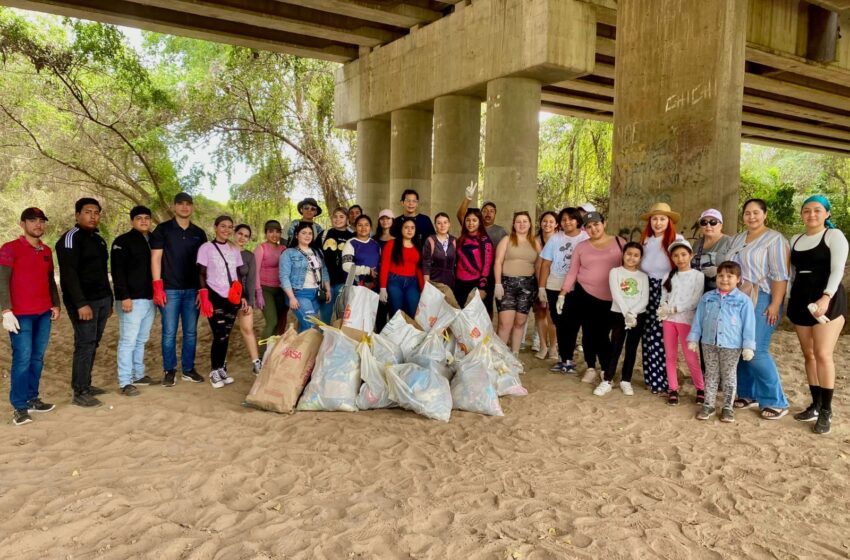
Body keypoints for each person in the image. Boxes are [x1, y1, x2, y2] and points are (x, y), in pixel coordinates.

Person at [787, 195, 848, 434]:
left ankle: (827, 411)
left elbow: (837, 270)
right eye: (806, 210)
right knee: (808, 354)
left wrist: (826, 297)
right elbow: (792, 273)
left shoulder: (834, 236)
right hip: (801, 299)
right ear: (802, 214)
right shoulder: (795, 239)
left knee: (823, 353)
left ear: (827, 213)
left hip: (827, 300)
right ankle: (815, 403)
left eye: (817, 210)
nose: (811, 214)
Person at [727, 198, 791, 420]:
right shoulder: (737, 239)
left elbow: (780, 274)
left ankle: (776, 401)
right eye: (747, 213)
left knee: (755, 350)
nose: (751, 217)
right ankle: (747, 393)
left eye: (756, 212)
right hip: (737, 298)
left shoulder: (775, 240)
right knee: (739, 347)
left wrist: (775, 303)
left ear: (765, 215)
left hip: (763, 297)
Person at [1, 207, 60, 425]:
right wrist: (5, 310)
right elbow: (1, 281)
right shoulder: (9, 249)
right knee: (22, 359)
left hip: (43, 313)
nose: (38, 225)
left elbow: (49, 280)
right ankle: (19, 406)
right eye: (33, 220)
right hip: (21, 316)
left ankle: (32, 398)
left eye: (42, 221)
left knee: (37, 358)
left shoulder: (46, 250)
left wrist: (56, 304)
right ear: (22, 224)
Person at [55, 197, 113, 407]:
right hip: (83, 303)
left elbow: (101, 273)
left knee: (92, 343)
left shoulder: (98, 240)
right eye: (88, 212)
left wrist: (110, 300)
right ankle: (80, 392)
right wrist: (81, 304)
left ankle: (86, 384)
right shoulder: (70, 239)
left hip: (102, 300)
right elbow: (69, 275)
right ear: (77, 214)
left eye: (96, 212)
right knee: (84, 344)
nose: (93, 216)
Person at [556, 211, 624, 385]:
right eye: (589, 226)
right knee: (589, 333)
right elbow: (573, 271)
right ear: (585, 229)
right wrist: (563, 293)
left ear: (604, 223)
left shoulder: (619, 242)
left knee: (604, 335)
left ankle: (607, 369)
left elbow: (630, 267)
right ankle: (591, 367)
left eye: (596, 224)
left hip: (613, 297)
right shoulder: (582, 247)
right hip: (585, 294)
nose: (593, 229)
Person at [150, 192, 207, 387]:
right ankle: (169, 370)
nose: (184, 207)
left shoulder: (199, 233)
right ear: (174, 206)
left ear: (192, 207)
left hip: (192, 290)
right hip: (169, 290)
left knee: (191, 332)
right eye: (180, 204)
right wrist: (158, 286)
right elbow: (156, 258)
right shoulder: (163, 229)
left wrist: (202, 291)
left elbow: (203, 265)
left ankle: (188, 369)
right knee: (169, 332)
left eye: (188, 204)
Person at [687, 261, 756, 423]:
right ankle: (708, 404)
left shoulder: (743, 300)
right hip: (709, 343)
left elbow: (749, 325)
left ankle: (727, 407)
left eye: (729, 276)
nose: (724, 279)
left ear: (738, 279)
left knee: (729, 375)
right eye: (721, 275)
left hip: (731, 345)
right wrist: (694, 337)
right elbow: (698, 319)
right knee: (710, 374)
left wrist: (748, 346)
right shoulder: (707, 297)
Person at [110, 206, 157, 397]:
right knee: (128, 341)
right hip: (131, 300)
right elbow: (117, 271)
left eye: (147, 218)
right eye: (139, 218)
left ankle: (138, 374)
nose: (144, 221)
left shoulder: (154, 240)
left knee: (141, 339)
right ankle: (125, 381)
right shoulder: (122, 241)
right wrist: (124, 297)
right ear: (132, 221)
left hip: (150, 299)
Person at [593, 242, 649, 397]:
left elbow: (644, 299)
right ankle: (607, 380)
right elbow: (616, 295)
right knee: (615, 347)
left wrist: (634, 313)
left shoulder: (643, 276)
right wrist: (627, 314)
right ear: (623, 254)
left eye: (636, 255)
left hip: (638, 315)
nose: (632, 257)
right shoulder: (615, 272)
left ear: (640, 258)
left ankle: (626, 380)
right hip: (619, 314)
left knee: (631, 348)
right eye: (629, 254)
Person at [196, 216, 245, 388]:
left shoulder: (234, 249)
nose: (226, 230)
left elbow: (238, 273)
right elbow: (201, 273)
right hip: (214, 295)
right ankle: (214, 371)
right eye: (222, 226)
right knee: (220, 333)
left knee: (227, 335)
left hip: (232, 297)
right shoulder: (206, 248)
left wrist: (242, 295)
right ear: (215, 227)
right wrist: (204, 296)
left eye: (230, 227)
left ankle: (222, 369)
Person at [639, 202, 682, 394]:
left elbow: (683, 267)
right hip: (647, 291)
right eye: (654, 219)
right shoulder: (646, 242)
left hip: (667, 290)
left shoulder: (677, 240)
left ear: (669, 221)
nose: (658, 222)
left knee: (663, 337)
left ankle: (666, 380)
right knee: (648, 336)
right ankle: (652, 378)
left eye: (662, 218)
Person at [540, 208, 588, 374]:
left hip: (577, 287)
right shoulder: (555, 238)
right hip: (554, 284)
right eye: (564, 219)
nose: (567, 222)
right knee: (558, 321)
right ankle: (562, 358)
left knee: (573, 322)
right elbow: (545, 264)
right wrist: (541, 287)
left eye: (571, 219)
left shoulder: (585, 238)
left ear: (577, 220)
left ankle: (568, 358)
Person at [659, 239, 705, 406]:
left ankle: (700, 388)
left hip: (687, 321)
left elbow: (695, 300)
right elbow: (663, 298)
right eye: (676, 255)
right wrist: (663, 310)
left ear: (691, 255)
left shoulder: (698, 276)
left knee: (690, 356)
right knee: (670, 356)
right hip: (668, 321)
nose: (680, 258)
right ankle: (673, 388)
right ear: (672, 258)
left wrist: (675, 308)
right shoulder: (668, 276)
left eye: (684, 254)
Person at [494, 212, 538, 354]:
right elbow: (498, 262)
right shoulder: (506, 240)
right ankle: (500, 357)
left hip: (528, 286)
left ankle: (514, 355)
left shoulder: (535, 242)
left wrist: (541, 288)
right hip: (507, 285)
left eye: (525, 221)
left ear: (530, 224)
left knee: (520, 322)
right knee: (505, 323)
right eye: (518, 221)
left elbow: (540, 265)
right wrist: (498, 283)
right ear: (513, 224)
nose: (522, 224)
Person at [280, 222, 331, 332]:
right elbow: (284, 277)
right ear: (297, 235)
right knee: (310, 324)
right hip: (299, 293)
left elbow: (324, 271)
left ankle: (299, 349)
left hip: (316, 294)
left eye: (310, 233)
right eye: (304, 233)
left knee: (305, 326)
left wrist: (328, 289)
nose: (307, 236)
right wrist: (291, 297)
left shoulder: (317, 252)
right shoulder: (288, 253)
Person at [380, 217, 424, 318]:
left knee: (413, 313)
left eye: (412, 228)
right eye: (406, 227)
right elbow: (385, 266)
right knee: (396, 314)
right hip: (395, 282)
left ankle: (409, 334)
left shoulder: (417, 245)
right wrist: (383, 288)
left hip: (412, 283)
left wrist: (422, 288)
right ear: (401, 229)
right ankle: (395, 334)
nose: (409, 230)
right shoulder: (391, 244)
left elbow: (418, 268)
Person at [234, 224, 262, 375]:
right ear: (234, 233)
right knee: (222, 333)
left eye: (246, 236)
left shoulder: (249, 256)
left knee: (247, 328)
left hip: (244, 297)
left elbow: (251, 280)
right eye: (240, 233)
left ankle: (256, 363)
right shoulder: (224, 251)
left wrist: (250, 301)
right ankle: (220, 365)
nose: (242, 238)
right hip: (225, 298)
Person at [453, 208, 494, 308]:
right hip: (459, 284)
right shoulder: (461, 239)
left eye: (474, 220)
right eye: (468, 220)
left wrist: (482, 287)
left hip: (476, 284)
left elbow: (487, 265)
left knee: (474, 320)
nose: (470, 223)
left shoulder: (485, 240)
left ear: (480, 222)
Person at [254, 220, 287, 341]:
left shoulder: (283, 248)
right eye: (271, 231)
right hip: (265, 289)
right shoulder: (261, 248)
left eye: (277, 232)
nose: (274, 235)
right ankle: (262, 356)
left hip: (280, 290)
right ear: (266, 233)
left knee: (279, 323)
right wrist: (258, 293)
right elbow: (255, 272)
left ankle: (272, 352)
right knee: (272, 321)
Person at [320, 207, 354, 322]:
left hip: (343, 282)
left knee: (343, 316)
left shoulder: (352, 237)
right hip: (325, 282)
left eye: (341, 217)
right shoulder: (324, 234)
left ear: (347, 219)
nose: (337, 219)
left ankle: (340, 339)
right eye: (335, 216)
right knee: (325, 315)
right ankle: (323, 338)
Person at [532, 211, 558, 359]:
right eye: (544, 221)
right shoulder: (535, 240)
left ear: (556, 224)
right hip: (537, 281)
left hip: (554, 282)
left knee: (552, 316)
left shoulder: (560, 240)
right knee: (540, 314)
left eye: (551, 221)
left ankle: (553, 347)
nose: (547, 224)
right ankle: (542, 346)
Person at [691, 209, 732, 292]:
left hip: (722, 292)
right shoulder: (697, 243)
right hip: (697, 291)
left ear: (721, 225)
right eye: (704, 222)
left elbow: (737, 267)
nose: (708, 226)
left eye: (713, 222)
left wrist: (719, 271)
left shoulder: (729, 242)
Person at [422, 212, 457, 297]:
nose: (442, 225)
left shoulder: (454, 241)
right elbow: (426, 264)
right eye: (439, 223)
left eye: (445, 222)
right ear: (435, 225)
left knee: (449, 309)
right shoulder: (430, 241)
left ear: (449, 224)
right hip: (435, 284)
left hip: (451, 284)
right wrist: (427, 287)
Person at [343, 215, 381, 290]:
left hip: (374, 286)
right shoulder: (351, 243)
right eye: (360, 225)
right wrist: (367, 270)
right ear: (355, 228)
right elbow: (346, 266)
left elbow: (380, 263)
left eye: (366, 225)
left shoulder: (375, 244)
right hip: (355, 287)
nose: (363, 228)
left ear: (370, 228)